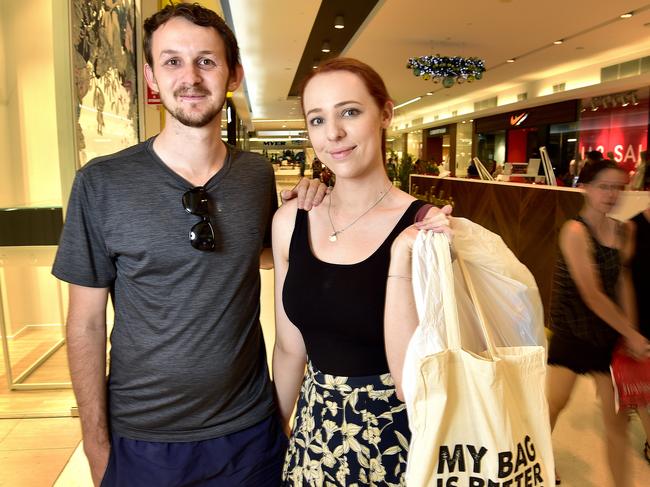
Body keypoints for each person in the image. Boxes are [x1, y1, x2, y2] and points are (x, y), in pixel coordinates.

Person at [52, 4, 326, 487]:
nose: (190, 77)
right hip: (144, 437)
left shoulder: (255, 174)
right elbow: (86, 324)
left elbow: (262, 256)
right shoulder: (101, 183)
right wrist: (96, 445)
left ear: (233, 75)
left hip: (248, 429)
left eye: (206, 60)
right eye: (172, 61)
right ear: (151, 77)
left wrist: (305, 208)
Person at [272, 57, 450, 486]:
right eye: (317, 119)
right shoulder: (291, 221)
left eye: (349, 112)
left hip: (403, 441)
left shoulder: (424, 229)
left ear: (385, 114)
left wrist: (404, 260)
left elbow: (416, 380)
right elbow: (289, 348)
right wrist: (277, 431)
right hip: (315, 440)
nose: (333, 133)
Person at [544, 159, 650, 486]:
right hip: (573, 335)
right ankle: (542, 464)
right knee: (552, 409)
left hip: (606, 340)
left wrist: (629, 337)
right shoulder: (574, 231)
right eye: (604, 186)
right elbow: (591, 293)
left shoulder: (623, 230)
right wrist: (630, 332)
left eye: (618, 187)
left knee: (616, 426)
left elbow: (622, 283)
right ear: (585, 188)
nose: (611, 194)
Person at [627, 204, 650, 463]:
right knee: (642, 383)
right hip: (641, 314)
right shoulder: (633, 226)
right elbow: (623, 276)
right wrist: (628, 326)